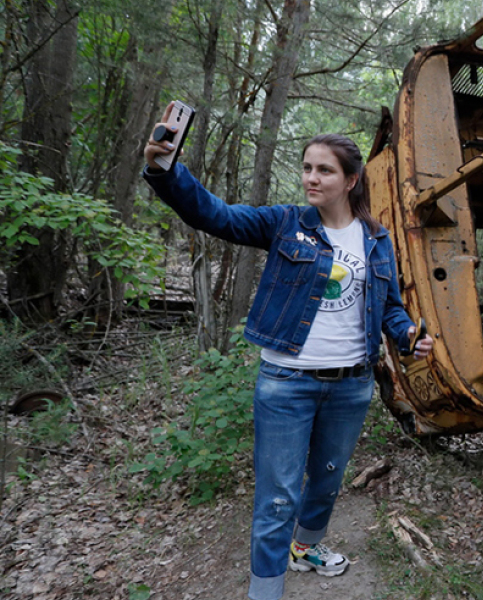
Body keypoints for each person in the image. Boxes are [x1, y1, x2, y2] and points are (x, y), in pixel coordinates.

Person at [142, 102, 433, 600]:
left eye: (324, 170)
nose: (311, 178)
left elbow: (390, 308)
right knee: (277, 497)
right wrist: (164, 170)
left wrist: (408, 334)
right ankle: (265, 592)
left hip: (352, 385)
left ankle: (307, 548)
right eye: (306, 168)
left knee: (325, 482)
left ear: (352, 179)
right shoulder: (284, 224)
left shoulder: (377, 239)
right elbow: (216, 215)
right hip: (286, 384)